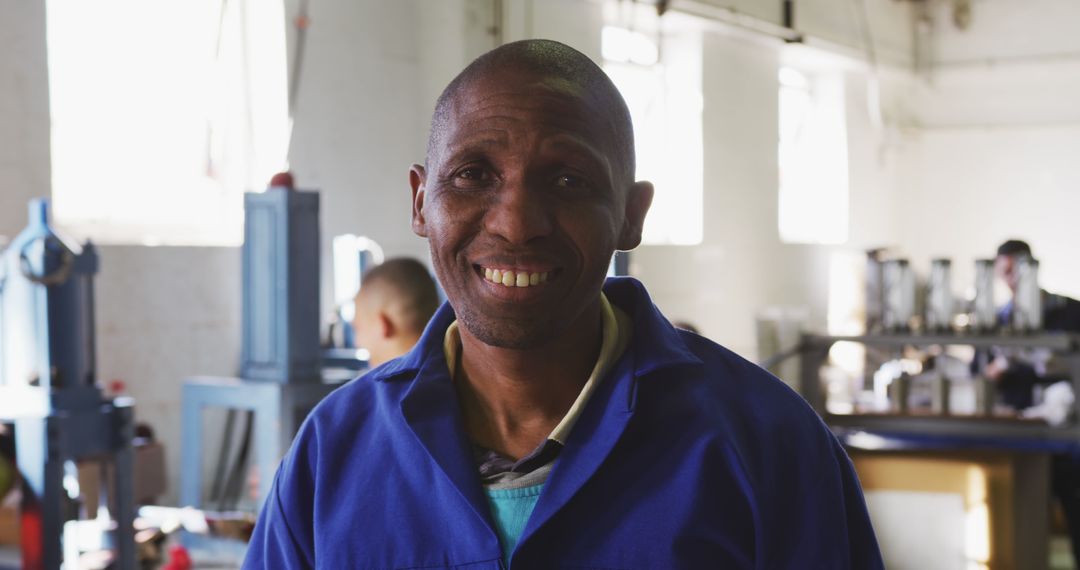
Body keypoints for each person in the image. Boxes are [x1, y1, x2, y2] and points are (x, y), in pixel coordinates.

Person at [244, 39, 882, 568]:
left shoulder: (766, 443)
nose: (517, 224)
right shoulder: (335, 452)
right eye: (473, 175)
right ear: (420, 202)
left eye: (570, 180)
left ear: (631, 216)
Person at [986, 239, 1080, 566]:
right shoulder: (998, 320)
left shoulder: (1069, 311)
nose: (1010, 280)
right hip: (1020, 435)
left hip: (1067, 434)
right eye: (1004, 273)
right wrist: (1002, 364)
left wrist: (1060, 364)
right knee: (1024, 522)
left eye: (1016, 271)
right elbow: (981, 373)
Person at [351, 257, 440, 368]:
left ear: (382, 325)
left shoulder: (368, 385)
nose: (357, 342)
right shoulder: (460, 375)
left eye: (357, 328)